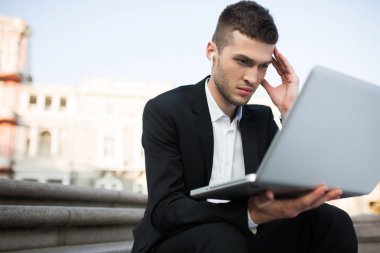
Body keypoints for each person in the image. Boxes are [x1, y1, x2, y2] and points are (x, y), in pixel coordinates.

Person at [132, 1, 358, 252]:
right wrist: (248, 213)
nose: (253, 77)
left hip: (246, 235)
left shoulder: (260, 119)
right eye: (243, 61)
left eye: (263, 66)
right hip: (179, 239)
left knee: (333, 222)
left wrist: (289, 112)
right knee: (222, 238)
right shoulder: (166, 110)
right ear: (211, 52)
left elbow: (300, 184)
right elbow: (166, 210)